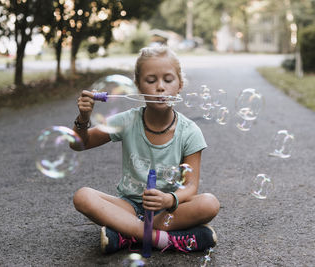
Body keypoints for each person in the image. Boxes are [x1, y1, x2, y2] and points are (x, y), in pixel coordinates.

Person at [70, 46, 220, 254]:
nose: (160, 87)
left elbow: (190, 186)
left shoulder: (190, 131)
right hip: (129, 206)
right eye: (151, 80)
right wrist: (83, 118)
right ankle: (164, 239)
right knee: (83, 196)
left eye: (168, 80)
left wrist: (170, 199)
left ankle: (126, 234)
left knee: (209, 203)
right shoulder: (127, 120)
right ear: (138, 86)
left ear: (180, 85)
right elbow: (79, 144)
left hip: (167, 210)